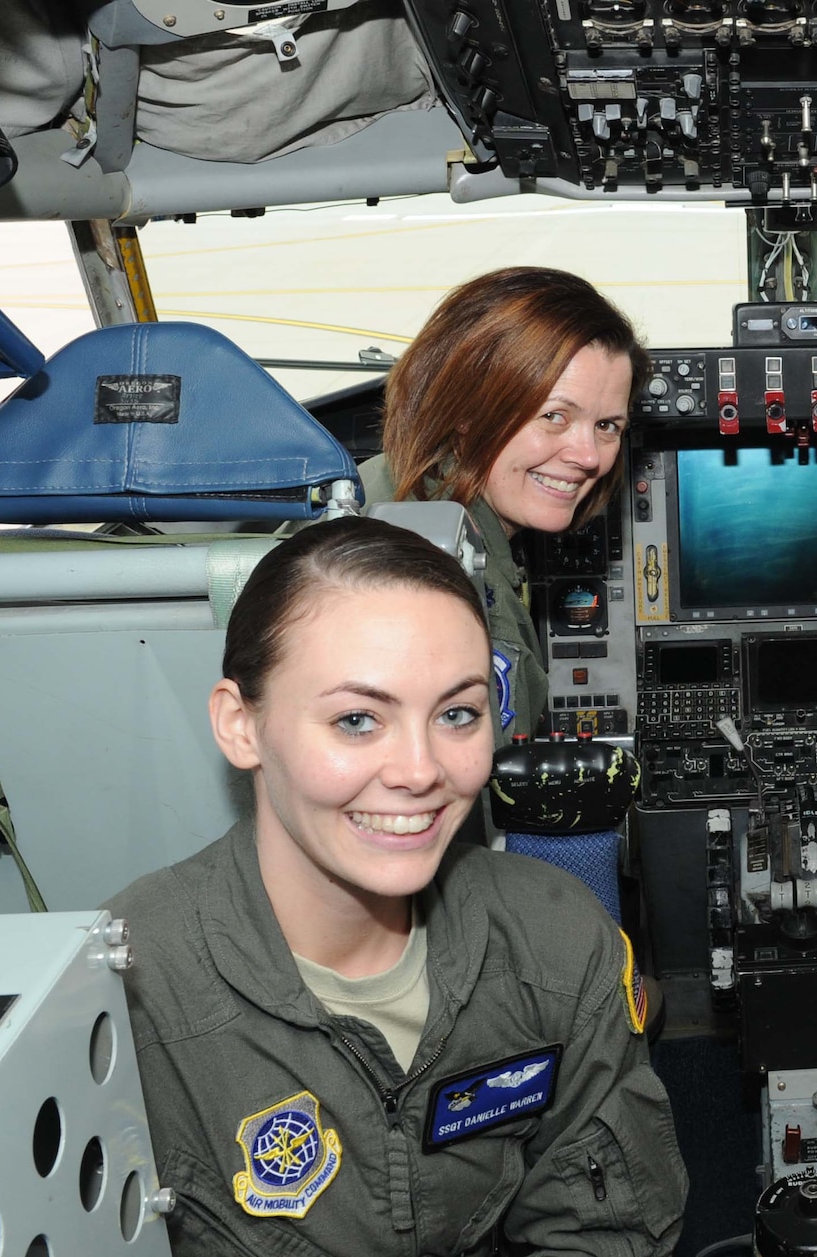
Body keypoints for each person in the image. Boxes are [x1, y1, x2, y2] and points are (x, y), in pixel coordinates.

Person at [107, 517, 687, 1255]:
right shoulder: (124, 990)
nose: (420, 769)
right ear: (240, 724)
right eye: (357, 719)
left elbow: (606, 1233)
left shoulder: (556, 940)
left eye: (456, 713)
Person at [366, 266, 645, 747]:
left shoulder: (388, 484)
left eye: (607, 426)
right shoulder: (438, 574)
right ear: (467, 413)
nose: (588, 457)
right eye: (555, 416)